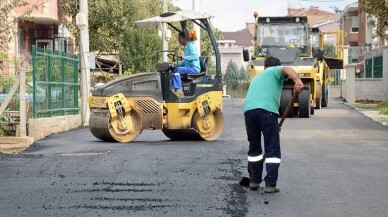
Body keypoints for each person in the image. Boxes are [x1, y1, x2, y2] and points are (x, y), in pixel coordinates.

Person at [244, 56, 304, 193]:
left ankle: (254, 181)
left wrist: (273, 124)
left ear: (264, 66)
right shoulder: (273, 70)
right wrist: (297, 81)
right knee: (272, 148)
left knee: (254, 148)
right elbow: (287, 69)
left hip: (249, 111)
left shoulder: (257, 78)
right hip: (267, 111)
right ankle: (270, 184)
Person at [172, 31, 200, 97]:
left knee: (176, 70)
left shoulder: (191, 46)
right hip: (189, 68)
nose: (178, 40)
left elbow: (195, 56)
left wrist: (185, 57)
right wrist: (175, 65)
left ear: (185, 38)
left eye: (180, 38)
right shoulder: (186, 48)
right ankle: (173, 89)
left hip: (194, 68)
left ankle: (179, 90)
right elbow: (185, 62)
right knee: (173, 69)